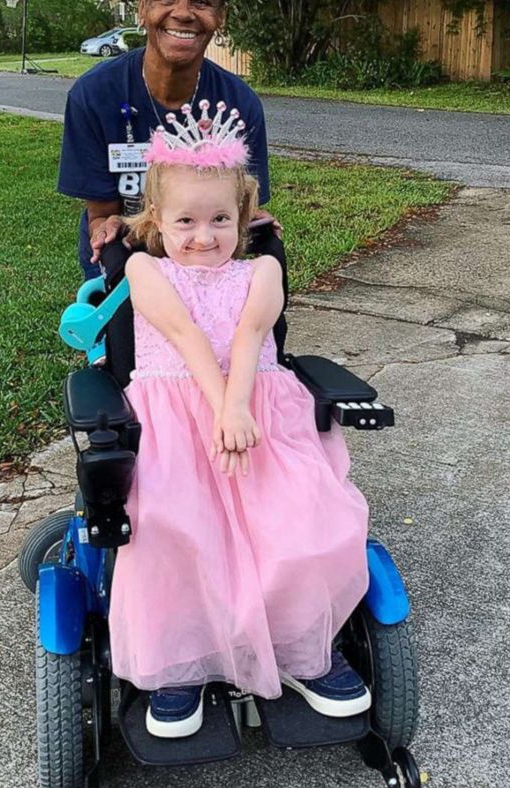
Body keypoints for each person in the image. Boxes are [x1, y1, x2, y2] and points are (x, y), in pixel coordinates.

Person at [106, 103, 370, 740]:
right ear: (158, 223)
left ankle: (303, 650)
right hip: (175, 423)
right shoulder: (143, 268)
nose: (205, 235)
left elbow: (253, 333)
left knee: (303, 525)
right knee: (172, 532)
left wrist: (238, 407)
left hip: (260, 418)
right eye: (187, 221)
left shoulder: (262, 269)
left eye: (222, 219)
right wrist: (222, 405)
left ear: (244, 216)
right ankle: (181, 664)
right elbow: (182, 332)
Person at [56, 0, 276, 282]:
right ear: (143, 8)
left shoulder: (239, 104)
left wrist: (257, 222)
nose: (184, 13)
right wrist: (105, 226)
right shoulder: (93, 96)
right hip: (124, 266)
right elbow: (101, 214)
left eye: (202, 1)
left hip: (205, 266)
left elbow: (241, 208)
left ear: (221, 17)